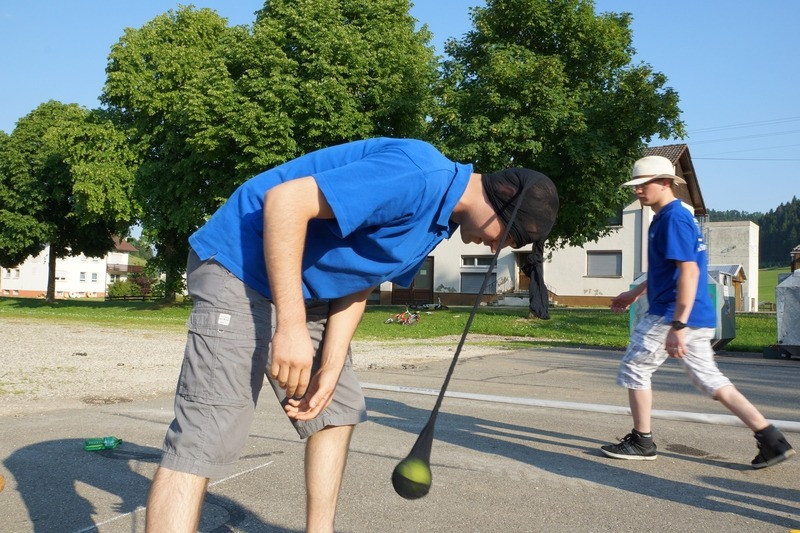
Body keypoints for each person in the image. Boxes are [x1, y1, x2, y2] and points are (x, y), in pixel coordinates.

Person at [144, 137, 559, 533]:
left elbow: (360, 279)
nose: (495, 250)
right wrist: (289, 329)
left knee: (336, 408)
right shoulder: (418, 175)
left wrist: (332, 362)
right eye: (507, 239)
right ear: (498, 211)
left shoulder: (439, 221)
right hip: (240, 267)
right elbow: (284, 201)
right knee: (210, 430)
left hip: (305, 285)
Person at [601, 155, 795, 469]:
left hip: (671, 314)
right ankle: (771, 439)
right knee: (710, 380)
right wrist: (634, 292)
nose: (637, 191)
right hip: (694, 313)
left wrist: (678, 324)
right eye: (635, 186)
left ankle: (642, 440)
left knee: (635, 369)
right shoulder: (668, 217)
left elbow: (689, 273)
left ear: (665, 182)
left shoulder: (673, 219)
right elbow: (665, 270)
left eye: (643, 184)